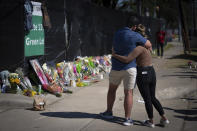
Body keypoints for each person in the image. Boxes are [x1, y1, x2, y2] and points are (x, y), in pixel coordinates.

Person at [112, 32, 170, 128]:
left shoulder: (139, 49)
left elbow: (127, 59)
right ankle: (164, 118)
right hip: (151, 72)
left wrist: (115, 55)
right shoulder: (147, 48)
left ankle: (151, 121)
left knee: (147, 99)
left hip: (143, 73)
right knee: (153, 97)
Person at [100, 24, 152, 126]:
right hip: (130, 68)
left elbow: (113, 47)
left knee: (112, 90)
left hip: (116, 67)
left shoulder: (117, 33)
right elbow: (148, 44)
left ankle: (109, 112)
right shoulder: (134, 35)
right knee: (128, 93)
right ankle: (127, 119)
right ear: (134, 26)